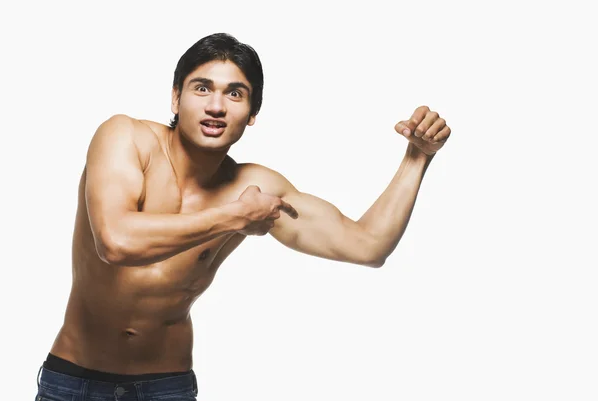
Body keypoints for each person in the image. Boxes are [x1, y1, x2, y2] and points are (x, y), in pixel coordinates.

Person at [35, 32, 451, 400]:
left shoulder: (254, 186)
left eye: (235, 94)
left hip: (166, 385)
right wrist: (234, 217)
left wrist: (417, 158)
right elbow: (116, 241)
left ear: (252, 114)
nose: (216, 106)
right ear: (176, 98)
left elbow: (367, 246)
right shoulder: (126, 138)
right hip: (74, 383)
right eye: (202, 88)